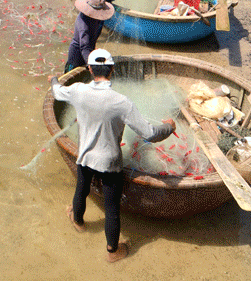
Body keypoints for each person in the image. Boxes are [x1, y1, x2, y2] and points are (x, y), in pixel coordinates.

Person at [51, 49, 176, 262]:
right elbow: (150, 134)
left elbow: (56, 91)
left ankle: (79, 222)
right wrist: (169, 127)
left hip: (85, 157)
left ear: (89, 69)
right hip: (109, 163)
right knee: (111, 209)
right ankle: (113, 252)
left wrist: (54, 78)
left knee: (81, 189)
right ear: (112, 70)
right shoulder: (121, 102)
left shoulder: (78, 90)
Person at [64, 0, 127, 72]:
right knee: (73, 78)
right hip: (77, 55)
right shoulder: (84, 24)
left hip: (90, 49)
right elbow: (84, 47)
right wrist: (90, 64)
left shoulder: (98, 5)